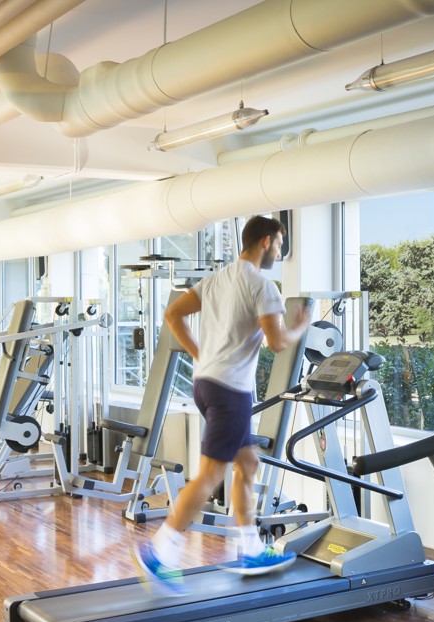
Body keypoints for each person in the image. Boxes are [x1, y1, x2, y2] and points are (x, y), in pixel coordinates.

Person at [133, 215, 311, 595]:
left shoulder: (215, 279)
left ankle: (250, 549)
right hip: (230, 392)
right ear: (265, 241)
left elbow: (172, 314)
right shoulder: (262, 286)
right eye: (279, 244)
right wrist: (302, 326)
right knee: (211, 475)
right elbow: (279, 343)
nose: (279, 251)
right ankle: (160, 553)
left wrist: (200, 354)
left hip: (206, 384)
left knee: (248, 465)